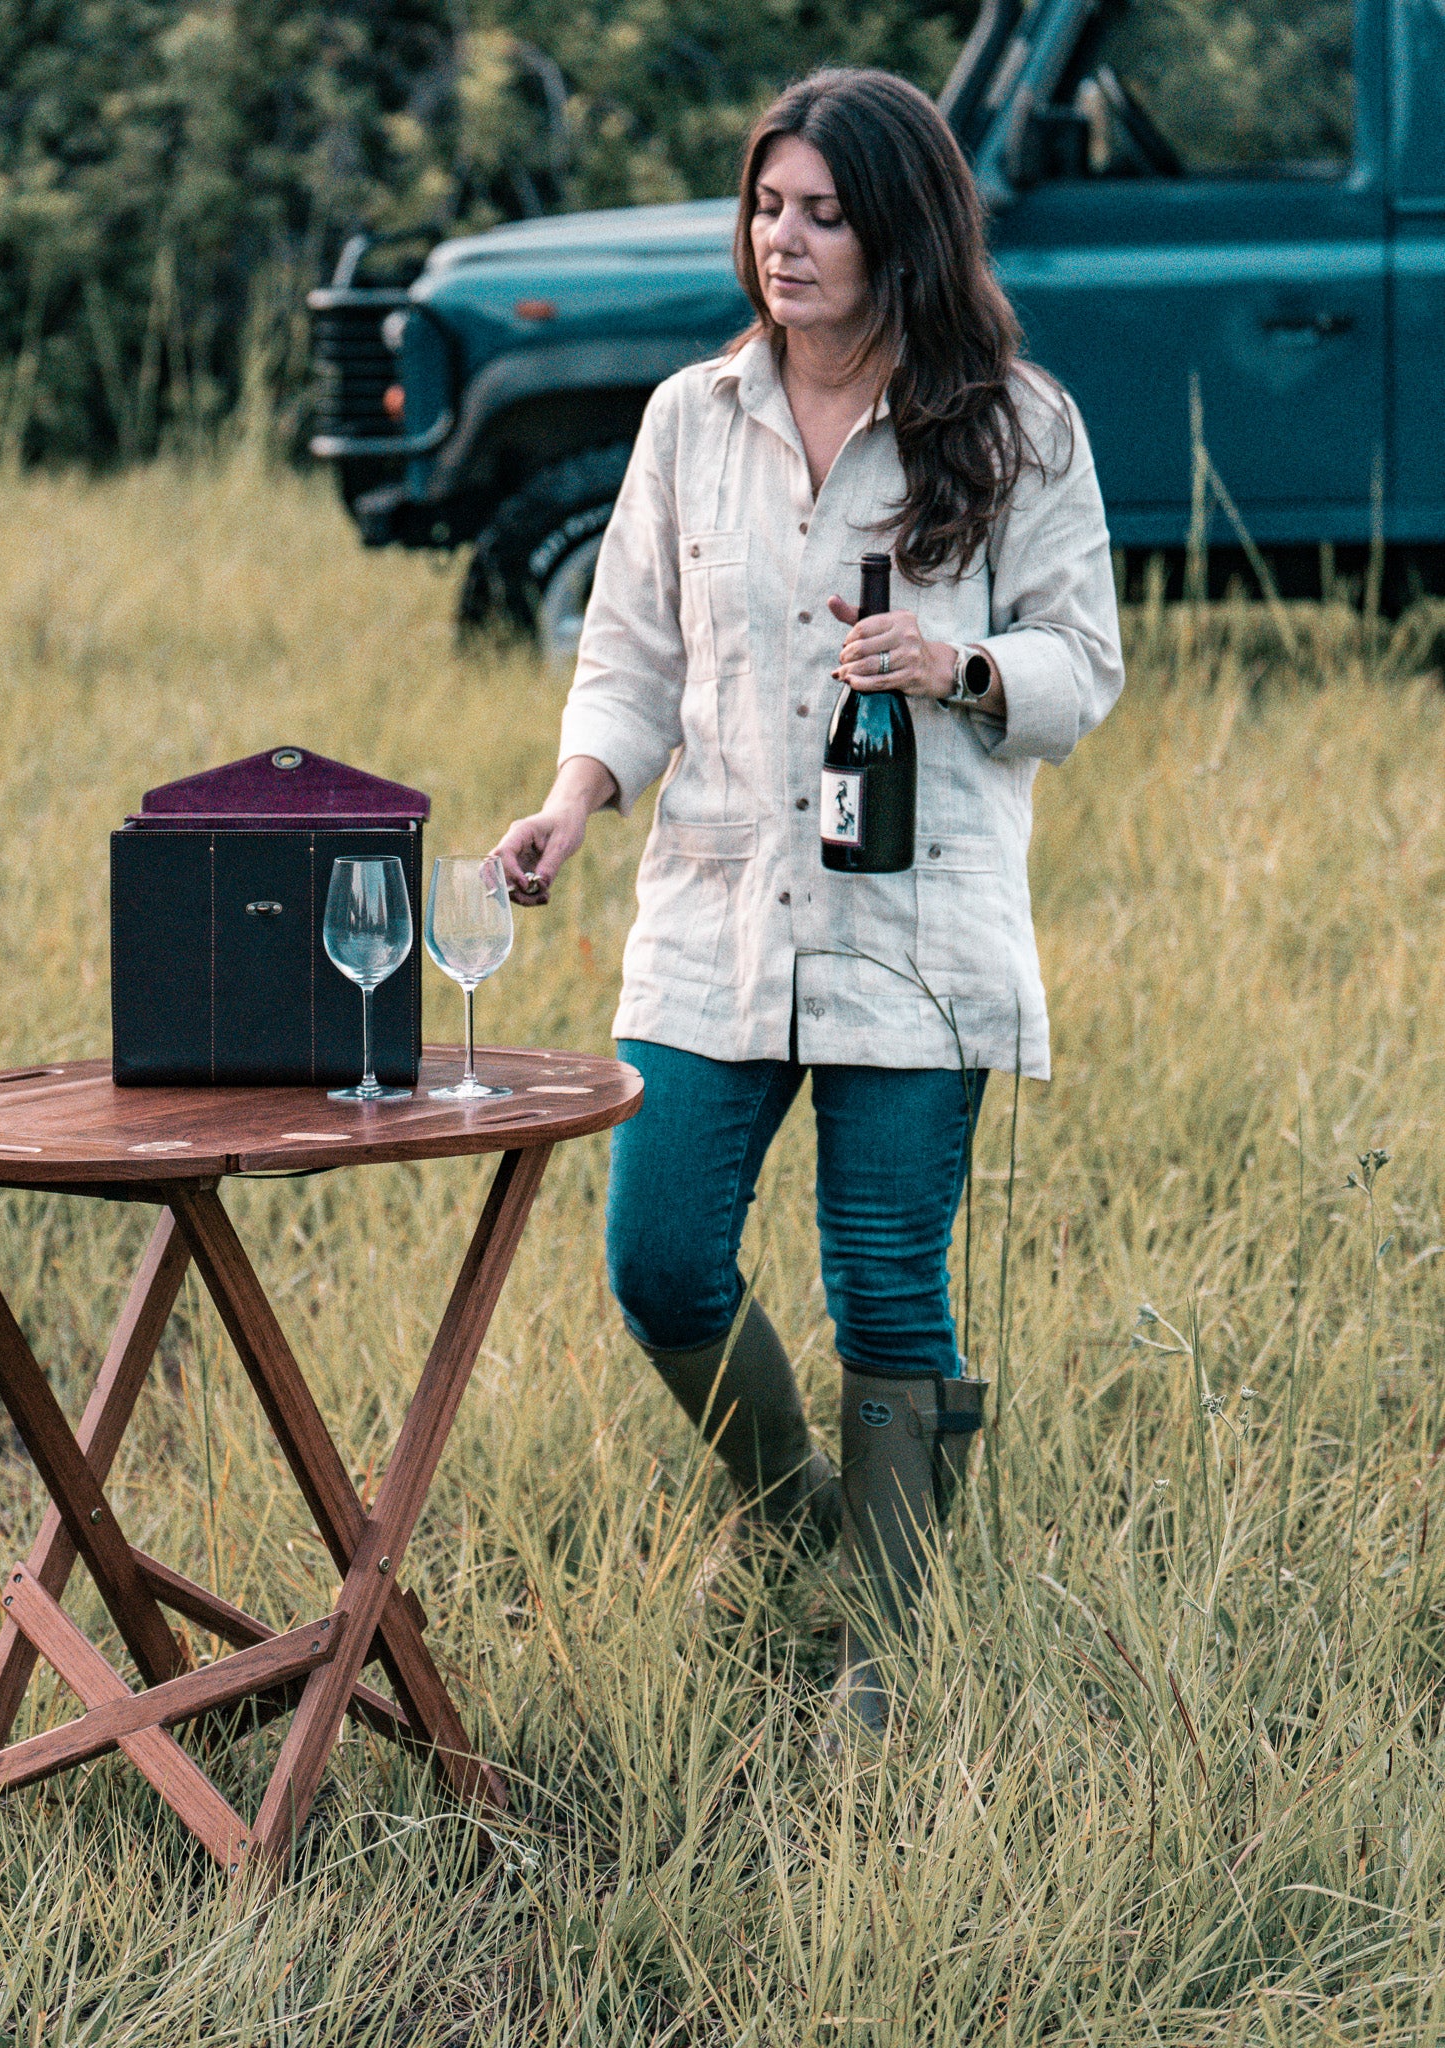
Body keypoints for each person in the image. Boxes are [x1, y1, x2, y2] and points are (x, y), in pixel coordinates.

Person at [492, 68, 1124, 1738]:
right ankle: (807, 1533)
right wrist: (570, 803)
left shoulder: (1014, 426)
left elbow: (1085, 667)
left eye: (824, 213)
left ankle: (886, 1655)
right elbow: (629, 656)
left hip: (919, 928)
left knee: (888, 1288)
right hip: (715, 914)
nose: (786, 240)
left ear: (898, 227)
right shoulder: (691, 419)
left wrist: (957, 660)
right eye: (768, 207)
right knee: (660, 1258)